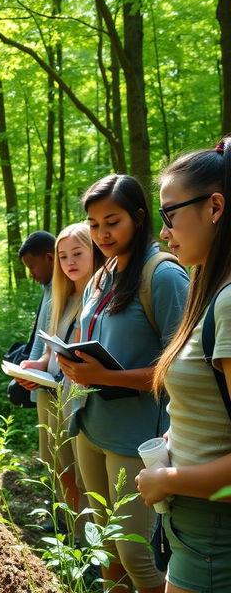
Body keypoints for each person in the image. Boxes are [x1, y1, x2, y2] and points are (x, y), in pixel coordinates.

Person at [56, 174, 190, 593]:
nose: (102, 234)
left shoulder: (163, 275)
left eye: (111, 221)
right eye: (94, 225)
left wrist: (105, 377)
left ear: (139, 216)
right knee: (105, 548)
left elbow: (182, 370)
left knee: (137, 555)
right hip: (89, 427)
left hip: (136, 436)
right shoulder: (102, 274)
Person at [135, 139, 231, 593]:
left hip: (215, 525)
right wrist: (175, 439)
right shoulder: (209, 290)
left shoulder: (230, 303)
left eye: (170, 214)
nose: (164, 232)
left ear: (215, 206)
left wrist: (168, 478)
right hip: (196, 521)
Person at [17, 223, 99, 520]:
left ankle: (85, 535)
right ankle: (67, 527)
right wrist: (35, 366)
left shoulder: (98, 295)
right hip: (50, 388)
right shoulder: (61, 294)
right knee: (55, 462)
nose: (70, 263)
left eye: (77, 254)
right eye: (64, 257)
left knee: (80, 470)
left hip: (75, 393)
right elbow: (52, 348)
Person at [6, 230, 55, 410]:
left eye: (32, 266)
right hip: (40, 384)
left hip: (55, 388)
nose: (31, 274)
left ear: (49, 258)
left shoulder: (66, 291)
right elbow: (38, 340)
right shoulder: (47, 288)